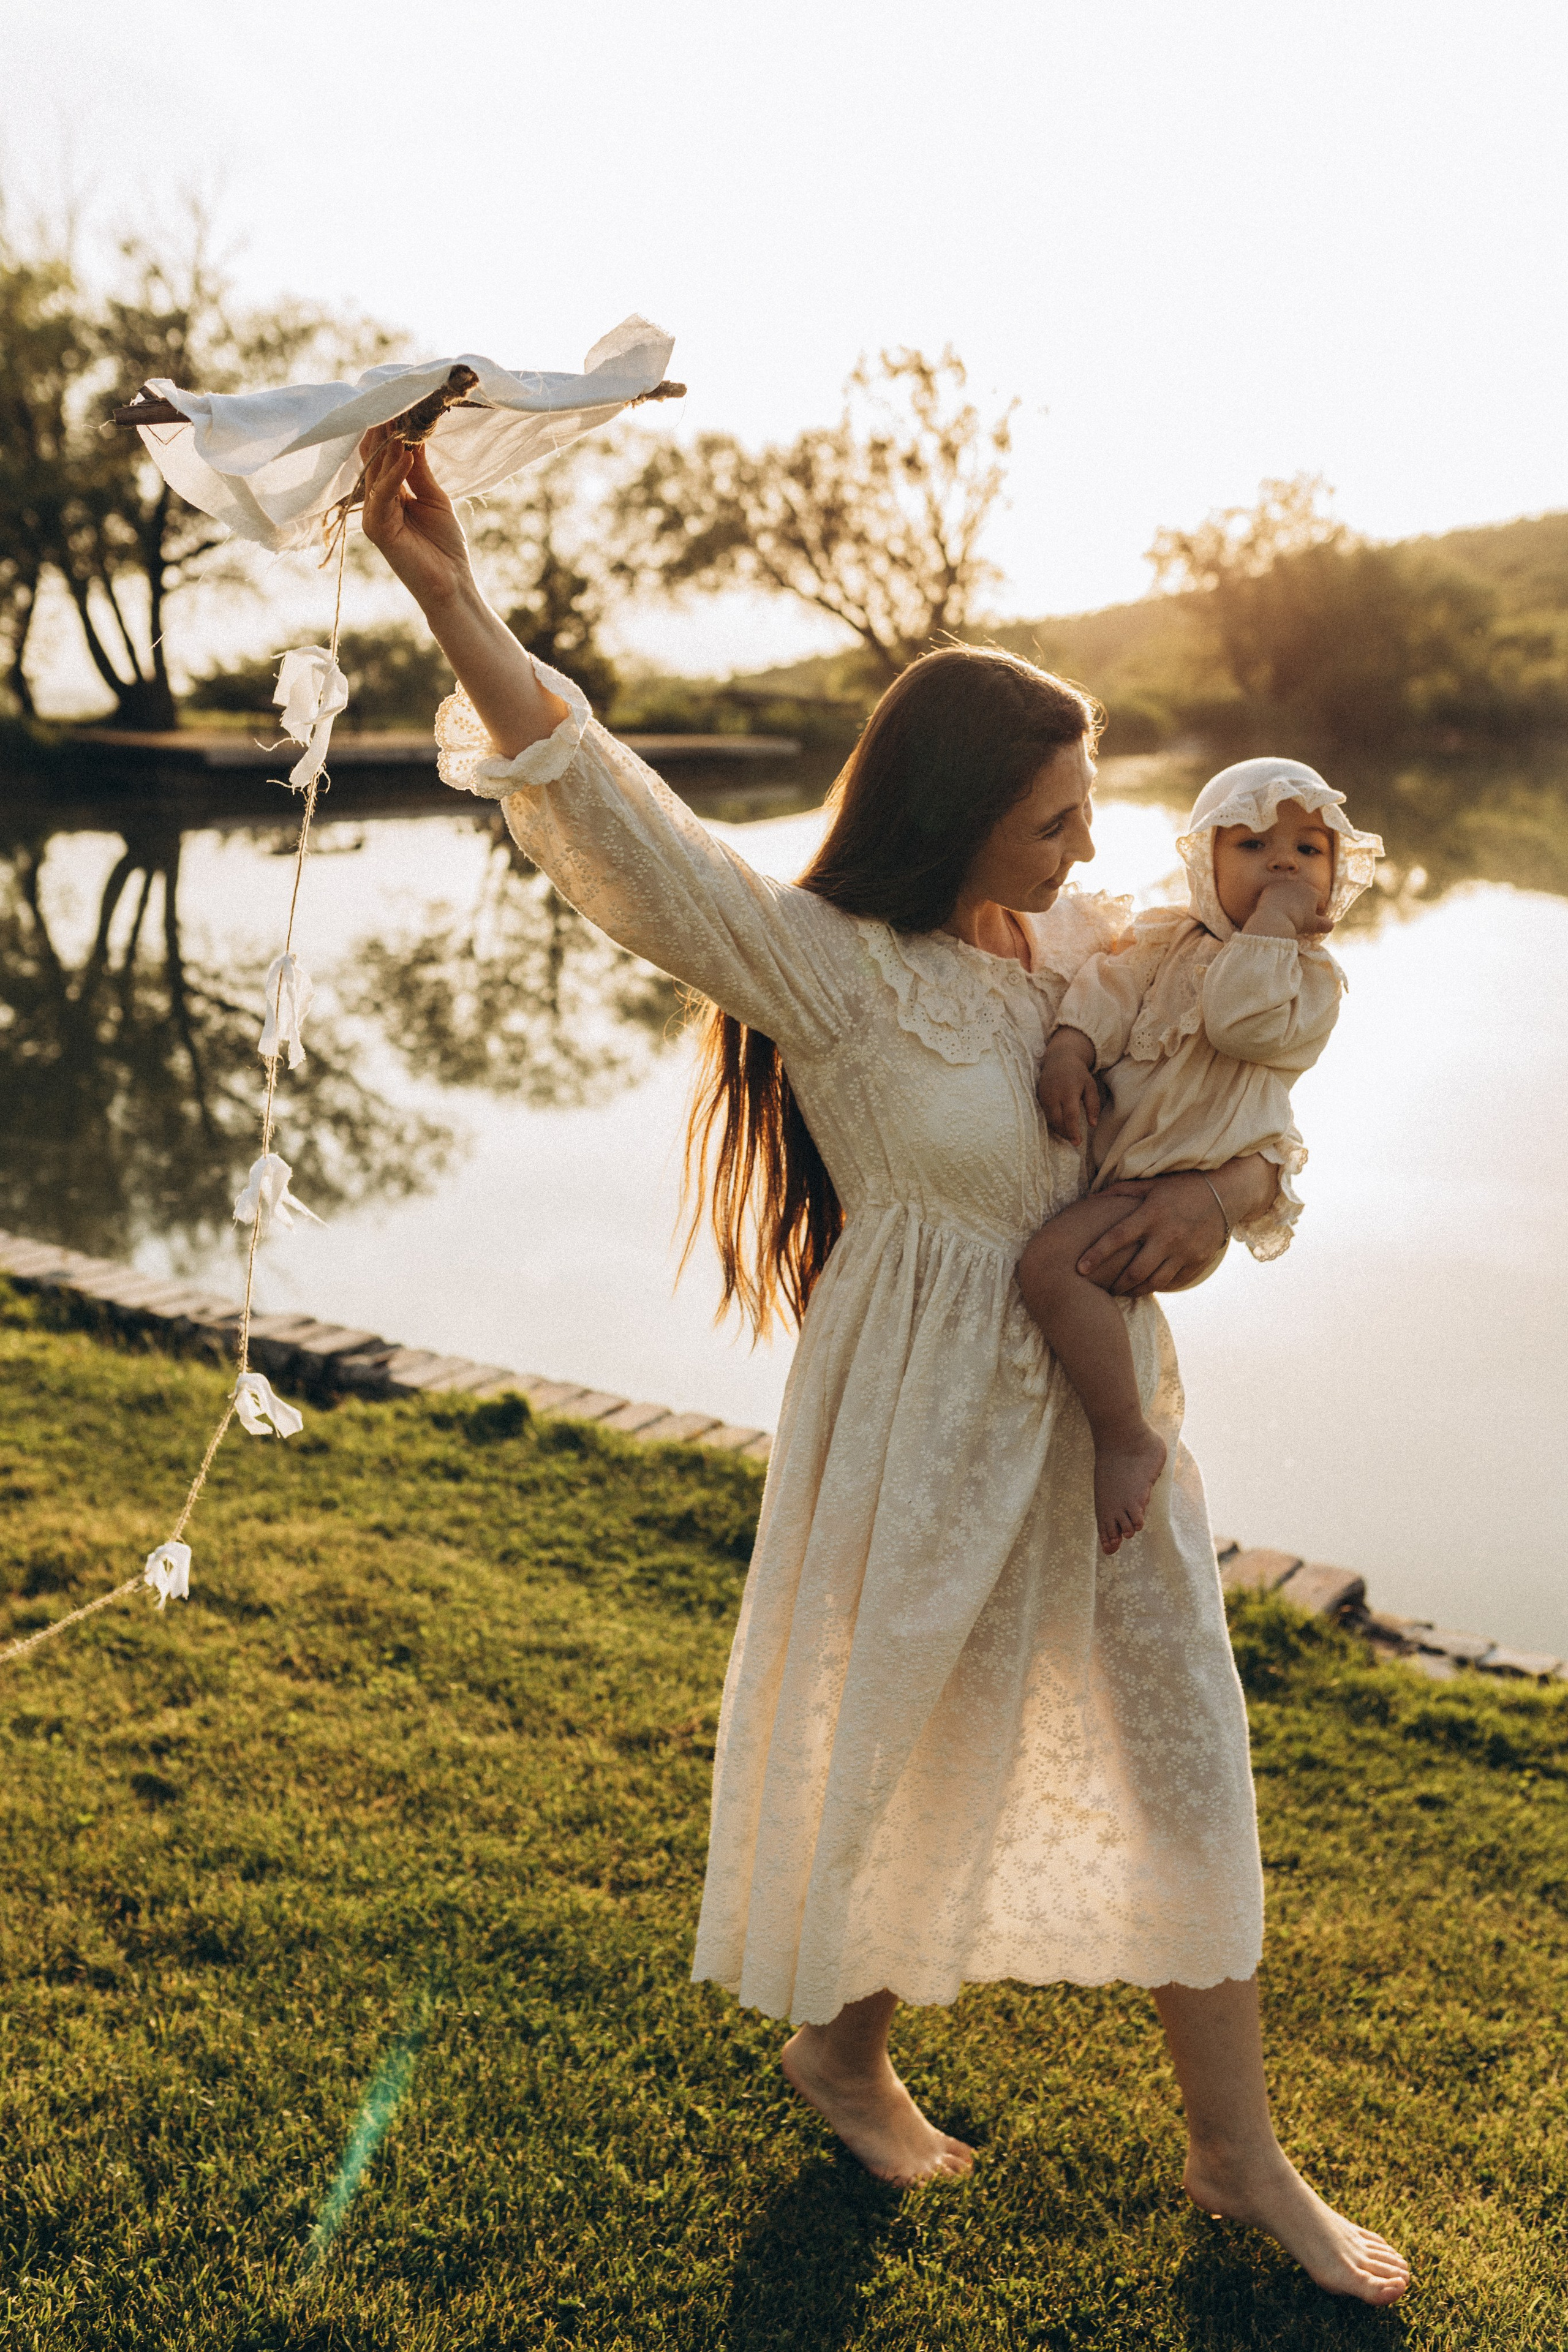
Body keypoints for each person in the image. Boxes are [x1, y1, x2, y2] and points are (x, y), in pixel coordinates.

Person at [358, 428, 1410, 2306]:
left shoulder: (1079, 943)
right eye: (1054, 818)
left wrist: (1248, 1178)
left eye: (1091, 810)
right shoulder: (827, 964)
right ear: (952, 814)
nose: (1091, 846)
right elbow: (610, 809)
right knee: (900, 1746)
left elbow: (1242, 1081)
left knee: (1184, 1747)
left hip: (1112, 1434)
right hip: (925, 1420)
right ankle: (840, 2052)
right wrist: (454, 594)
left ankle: (1238, 2155)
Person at [1018, 762, 1383, 1556]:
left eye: (1307, 851)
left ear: (1336, 874)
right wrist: (1069, 1053)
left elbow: (1240, 1022)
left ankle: (1125, 1437)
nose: (1284, 864)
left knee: (1050, 1269)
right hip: (1136, 1179)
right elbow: (1103, 991)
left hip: (1182, 1193)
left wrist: (1272, 931)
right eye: (1254, 843)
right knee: (1066, 1286)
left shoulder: (1312, 980)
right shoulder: (1160, 935)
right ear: (1205, 862)